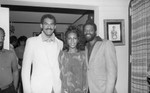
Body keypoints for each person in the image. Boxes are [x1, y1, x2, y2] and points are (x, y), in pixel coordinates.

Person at [21, 14, 63, 93]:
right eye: (46, 24)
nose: (49, 26)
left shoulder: (60, 43)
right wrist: (27, 91)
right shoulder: (31, 42)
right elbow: (25, 70)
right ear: (41, 25)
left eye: (51, 24)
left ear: (55, 27)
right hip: (38, 88)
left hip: (57, 88)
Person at [83, 22, 118, 93]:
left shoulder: (106, 44)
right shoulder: (86, 47)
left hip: (103, 90)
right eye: (86, 30)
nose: (88, 32)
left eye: (90, 30)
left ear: (95, 31)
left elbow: (112, 74)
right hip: (90, 89)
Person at [58, 26, 87, 93]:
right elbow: (60, 74)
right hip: (66, 90)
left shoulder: (83, 55)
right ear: (66, 40)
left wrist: (85, 88)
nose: (72, 41)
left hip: (80, 89)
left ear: (78, 39)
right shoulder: (62, 55)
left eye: (74, 38)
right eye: (69, 38)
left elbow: (85, 74)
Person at [0, 27, 19, 93]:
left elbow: (15, 71)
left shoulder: (10, 54)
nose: (1, 40)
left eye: (2, 37)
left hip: (8, 90)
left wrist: (15, 88)